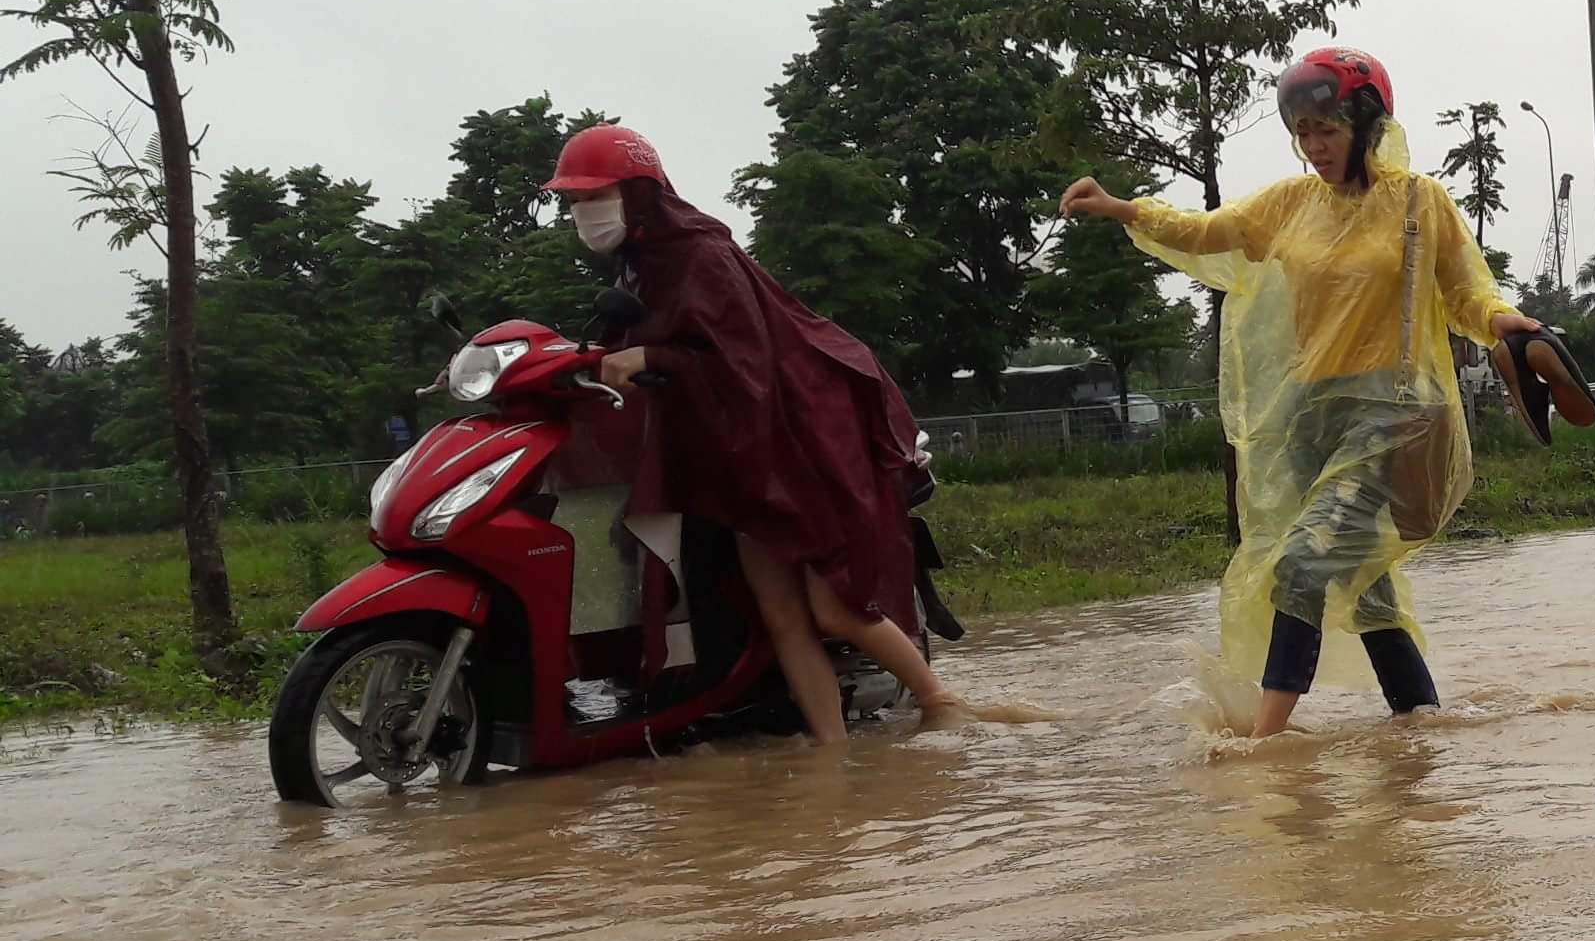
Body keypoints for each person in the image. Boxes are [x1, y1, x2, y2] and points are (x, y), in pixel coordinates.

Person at [1058, 48, 1542, 737]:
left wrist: (1504, 322)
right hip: (1315, 417)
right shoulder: (1291, 204)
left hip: (1396, 410)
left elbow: (1465, 289)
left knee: (1304, 561)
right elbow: (1208, 232)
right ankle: (1422, 725)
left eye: (1328, 129)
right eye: (1304, 132)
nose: (1314, 146)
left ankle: (1267, 742)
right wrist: (1122, 207)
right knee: (1367, 589)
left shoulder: (1417, 201)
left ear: (1367, 123)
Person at [545, 124, 960, 744]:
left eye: (593, 196)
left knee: (831, 609)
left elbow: (744, 362)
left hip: (795, 451)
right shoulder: (642, 268)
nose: (583, 213)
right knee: (783, 618)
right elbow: (626, 347)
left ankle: (940, 702)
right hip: (737, 464)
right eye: (574, 201)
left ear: (638, 193)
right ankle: (834, 758)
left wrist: (652, 359)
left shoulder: (701, 255)